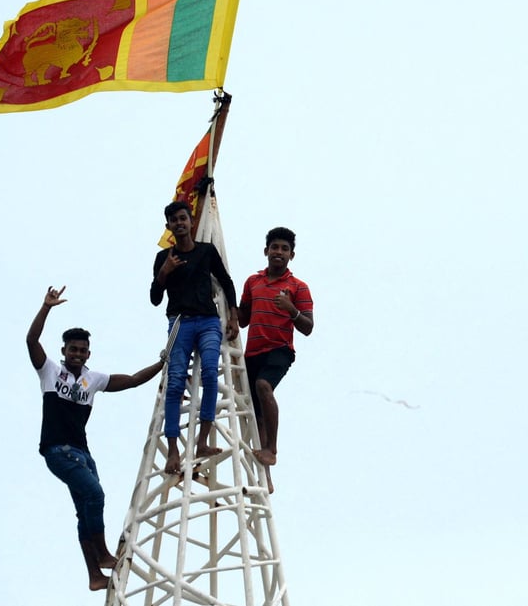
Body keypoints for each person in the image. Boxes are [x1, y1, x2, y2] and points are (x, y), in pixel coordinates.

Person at [26, 285, 164, 591]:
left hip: (82, 452)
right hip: (58, 451)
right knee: (95, 495)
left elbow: (130, 381)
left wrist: (162, 363)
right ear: (64, 351)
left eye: (82, 350)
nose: (77, 354)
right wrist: (46, 307)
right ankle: (102, 553)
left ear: (89, 353)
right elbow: (31, 340)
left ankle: (94, 576)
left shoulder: (93, 379)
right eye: (72, 349)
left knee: (84, 510)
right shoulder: (50, 372)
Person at [150, 200, 240, 476]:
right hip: (179, 322)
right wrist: (165, 272)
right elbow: (154, 298)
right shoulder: (163, 258)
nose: (180, 223)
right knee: (176, 382)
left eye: (183, 218)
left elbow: (226, 281)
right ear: (169, 226)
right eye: (174, 220)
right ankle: (174, 450)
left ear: (190, 221)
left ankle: (202, 440)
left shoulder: (205, 251)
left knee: (212, 374)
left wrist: (234, 317)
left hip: (208, 321)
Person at [238, 226, 314, 467]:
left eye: (284, 249)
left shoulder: (298, 287)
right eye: (274, 247)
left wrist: (290, 308)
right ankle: (266, 473)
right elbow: (242, 320)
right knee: (255, 413)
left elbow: (308, 327)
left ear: (292, 255)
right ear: (266, 251)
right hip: (252, 353)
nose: (278, 252)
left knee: (263, 386)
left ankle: (272, 448)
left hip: (279, 349)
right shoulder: (253, 282)